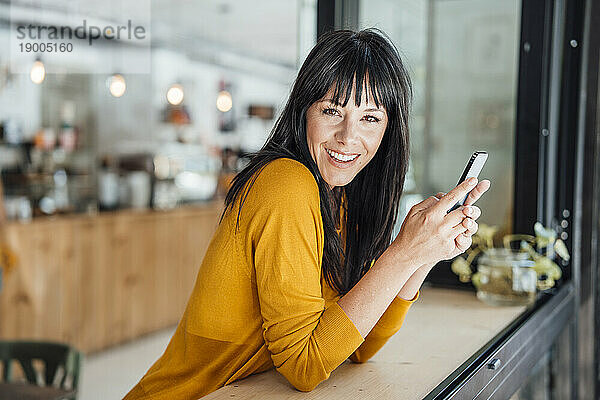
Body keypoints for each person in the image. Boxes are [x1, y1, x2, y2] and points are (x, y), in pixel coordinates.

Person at [123, 28, 490, 399]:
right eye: (332, 111)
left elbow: (356, 347)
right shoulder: (286, 183)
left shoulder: (341, 201)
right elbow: (305, 365)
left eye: (370, 118)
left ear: (388, 130)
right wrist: (403, 253)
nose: (348, 137)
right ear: (304, 112)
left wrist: (423, 255)